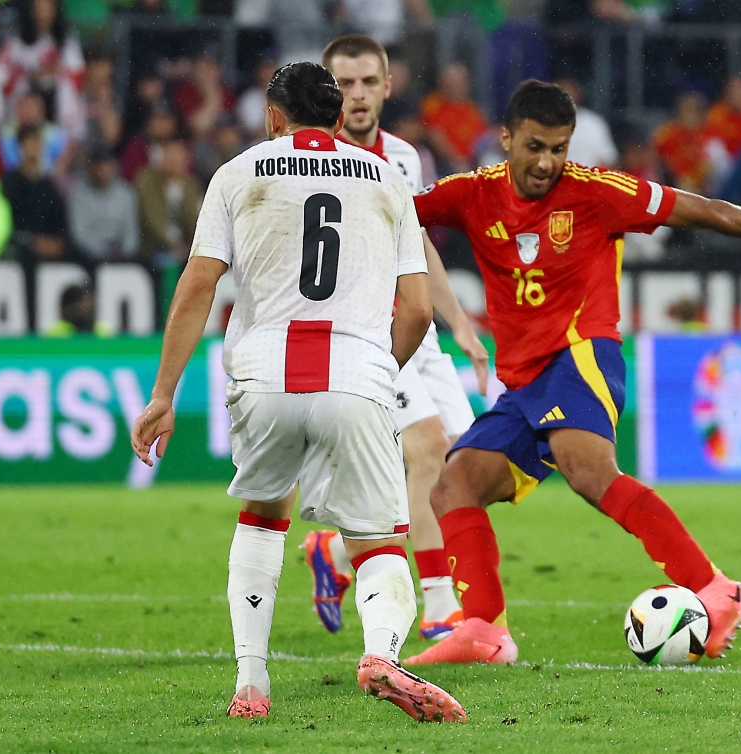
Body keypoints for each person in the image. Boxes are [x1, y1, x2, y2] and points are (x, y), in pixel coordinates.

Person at [403, 79, 741, 666]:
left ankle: (717, 590)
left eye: (559, 148)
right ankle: (484, 632)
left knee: (586, 469)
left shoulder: (597, 192)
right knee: (454, 483)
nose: (548, 163)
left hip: (581, 355)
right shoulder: (469, 193)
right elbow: (392, 216)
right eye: (536, 146)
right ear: (505, 139)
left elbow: (706, 211)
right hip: (525, 381)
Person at [128, 61, 466, 723]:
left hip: (261, 371)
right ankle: (381, 654)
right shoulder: (388, 179)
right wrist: (376, 370)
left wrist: (163, 394)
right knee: (378, 541)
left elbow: (197, 287)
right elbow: (420, 310)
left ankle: (251, 686)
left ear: (273, 118)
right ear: (341, 119)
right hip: (358, 369)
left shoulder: (239, 172)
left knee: (262, 516)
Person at [301, 34, 489, 642]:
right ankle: (438, 605)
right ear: (329, 93)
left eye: (366, 83)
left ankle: (333, 551)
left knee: (464, 463)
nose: (356, 96)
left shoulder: (406, 158)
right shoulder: (307, 159)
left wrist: (460, 323)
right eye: (343, 85)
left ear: (388, 86)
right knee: (427, 448)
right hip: (362, 331)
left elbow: (419, 244)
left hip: (417, 324)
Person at [0, 0, 85, 141]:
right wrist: (33, 74)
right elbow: (6, 78)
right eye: (39, 7)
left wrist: (58, 71)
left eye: (48, 7)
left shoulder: (66, 42)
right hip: (27, 100)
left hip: (56, 102)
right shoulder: (17, 42)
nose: (43, 13)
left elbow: (78, 76)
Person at [2, 123, 68, 262]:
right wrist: (32, 241)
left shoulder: (48, 186)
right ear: (20, 146)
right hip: (20, 246)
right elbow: (6, 224)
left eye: (38, 141)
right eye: (31, 141)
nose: (36, 146)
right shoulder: (8, 183)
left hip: (47, 245)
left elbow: (59, 220)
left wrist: (57, 241)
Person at [134, 139, 203, 264]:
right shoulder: (147, 181)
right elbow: (154, 219)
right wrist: (175, 245)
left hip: (186, 247)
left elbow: (195, 221)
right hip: (153, 248)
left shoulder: (191, 185)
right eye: (171, 156)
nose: (175, 161)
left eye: (179, 157)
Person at [68, 147, 139, 261]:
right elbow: (79, 234)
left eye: (107, 167)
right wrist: (103, 252)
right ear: (91, 169)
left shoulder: (126, 193)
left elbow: (131, 232)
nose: (103, 172)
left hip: (121, 256)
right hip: (91, 256)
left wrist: (125, 251)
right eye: (99, 167)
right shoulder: (79, 194)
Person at [420, 62, 489, 173]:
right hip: (444, 165)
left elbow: (484, 137)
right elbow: (434, 135)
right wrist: (458, 161)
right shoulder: (433, 103)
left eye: (459, 82)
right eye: (450, 82)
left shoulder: (473, 109)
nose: (455, 86)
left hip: (472, 163)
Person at [554, 78, 618, 169]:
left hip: (588, 180)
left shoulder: (593, 123)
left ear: (578, 94)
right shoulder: (542, 123)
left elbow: (609, 160)